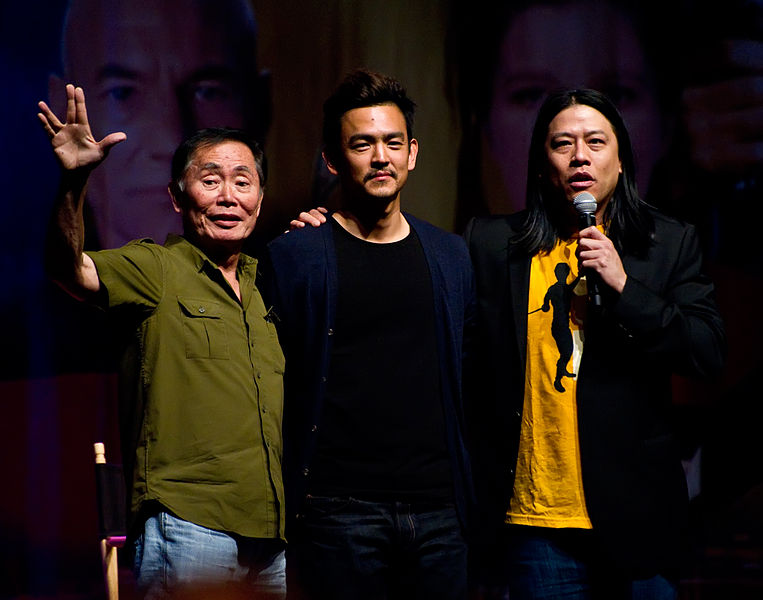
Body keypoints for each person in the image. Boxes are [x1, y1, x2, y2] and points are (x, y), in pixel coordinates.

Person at [463, 88, 725, 599]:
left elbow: (707, 352)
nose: (580, 155)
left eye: (596, 142)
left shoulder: (668, 243)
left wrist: (625, 287)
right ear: (542, 164)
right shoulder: (491, 244)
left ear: (621, 160)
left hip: (638, 518)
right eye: (562, 143)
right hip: (537, 524)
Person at [38, 84, 286, 599]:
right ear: (176, 197)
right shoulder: (157, 267)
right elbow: (68, 269)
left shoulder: (272, 287)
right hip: (189, 528)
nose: (228, 196)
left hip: (273, 539)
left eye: (243, 181)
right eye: (210, 180)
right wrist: (74, 179)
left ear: (260, 199)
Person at [263, 69, 475, 599]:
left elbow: (469, 373)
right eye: (362, 144)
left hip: (439, 511)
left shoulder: (450, 255)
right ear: (333, 159)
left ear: (413, 153)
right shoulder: (297, 256)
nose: (381, 156)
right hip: (339, 511)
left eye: (393, 143)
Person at [52, 0, 271, 249]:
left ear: (260, 107)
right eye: (123, 93)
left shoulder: (289, 277)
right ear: (63, 110)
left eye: (209, 93)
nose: (169, 140)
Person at [448, 0, 680, 230]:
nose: (580, 154)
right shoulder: (479, 246)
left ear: (665, 124)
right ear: (486, 126)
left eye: (617, 94)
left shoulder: (678, 249)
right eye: (531, 94)